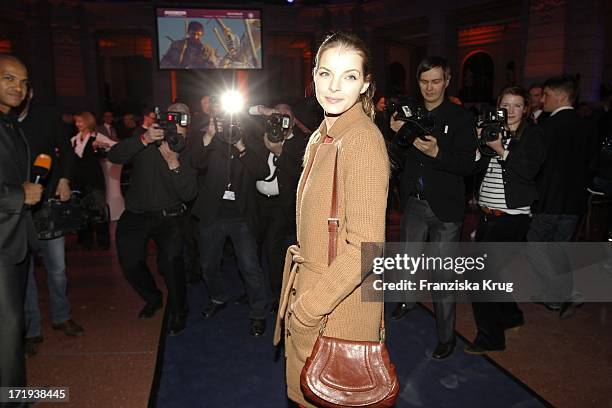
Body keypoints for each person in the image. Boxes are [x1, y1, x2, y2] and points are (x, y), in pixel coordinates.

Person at [272, 32, 389, 407]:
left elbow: (367, 249)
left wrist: (307, 310)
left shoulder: (361, 140)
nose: (335, 87)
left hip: (336, 308)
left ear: (366, 83)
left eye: (350, 76)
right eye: (326, 74)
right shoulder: (322, 135)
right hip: (318, 296)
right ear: (314, 76)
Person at [389, 56, 475, 360]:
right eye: (424, 81)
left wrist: (437, 150)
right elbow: (398, 154)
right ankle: (407, 301)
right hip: (413, 202)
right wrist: (396, 130)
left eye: (436, 81)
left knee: (442, 277)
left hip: (446, 211)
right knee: (407, 264)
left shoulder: (462, 117)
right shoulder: (410, 111)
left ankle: (446, 336)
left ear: (448, 80)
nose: (429, 87)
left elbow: (467, 165)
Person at [465, 86, 545, 355]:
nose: (510, 111)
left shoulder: (533, 135)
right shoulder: (492, 130)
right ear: (497, 107)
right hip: (488, 216)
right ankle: (511, 316)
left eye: (517, 106)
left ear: (526, 109)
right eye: (506, 105)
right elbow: (474, 169)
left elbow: (528, 171)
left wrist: (501, 149)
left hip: (512, 218)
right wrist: (479, 145)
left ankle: (491, 337)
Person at [108, 103, 197, 336]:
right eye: (173, 116)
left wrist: (174, 163)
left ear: (188, 123)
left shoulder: (189, 149)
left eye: (183, 118)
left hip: (171, 217)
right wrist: (144, 139)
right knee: (129, 262)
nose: (177, 122)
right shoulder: (147, 138)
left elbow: (189, 194)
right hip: (136, 215)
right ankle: (153, 297)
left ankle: (179, 311)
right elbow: (114, 155)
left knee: (171, 264)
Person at [190, 99, 271, 337]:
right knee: (208, 265)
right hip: (211, 215)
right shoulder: (209, 140)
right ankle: (217, 297)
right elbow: (195, 162)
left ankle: (258, 313)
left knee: (250, 267)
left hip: (241, 216)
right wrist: (210, 134)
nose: (229, 124)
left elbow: (262, 172)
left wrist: (241, 146)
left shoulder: (251, 142)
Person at [18, 87, 83, 358]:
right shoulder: (4, 122)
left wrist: (65, 179)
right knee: (24, 272)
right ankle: (32, 329)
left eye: (22, 84)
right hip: (14, 209)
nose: (16, 90)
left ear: (31, 92)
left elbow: (66, 152)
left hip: (46, 205)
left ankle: (61, 315)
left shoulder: (46, 116)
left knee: (57, 269)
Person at [527, 74, 594, 318]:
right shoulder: (587, 125)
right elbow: (593, 163)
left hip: (549, 200)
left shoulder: (547, 127)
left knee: (534, 246)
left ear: (559, 96)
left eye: (545, 95)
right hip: (575, 201)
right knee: (560, 249)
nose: (542, 100)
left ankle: (558, 294)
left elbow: (536, 166)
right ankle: (557, 293)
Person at [0, 53, 42, 394]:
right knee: (9, 329)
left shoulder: (11, 124)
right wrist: (17, 195)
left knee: (14, 328)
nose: (18, 87)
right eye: (9, 78)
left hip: (14, 238)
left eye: (24, 81)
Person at [252, 103, 307, 308]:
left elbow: (299, 174)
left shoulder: (302, 143)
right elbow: (246, 111)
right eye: (278, 115)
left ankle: (278, 294)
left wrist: (279, 152)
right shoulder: (264, 134)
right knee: (254, 246)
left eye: (286, 116)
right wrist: (265, 112)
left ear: (293, 120)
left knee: (272, 249)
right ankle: (257, 289)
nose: (281, 119)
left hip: (280, 205)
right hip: (257, 202)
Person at [70, 111, 115, 250]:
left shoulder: (97, 136)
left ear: (88, 122)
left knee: (99, 211)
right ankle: (85, 242)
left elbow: (113, 145)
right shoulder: (74, 140)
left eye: (80, 121)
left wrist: (101, 146)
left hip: (94, 179)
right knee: (82, 211)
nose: (77, 124)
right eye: (76, 121)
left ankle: (103, 242)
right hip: (78, 180)